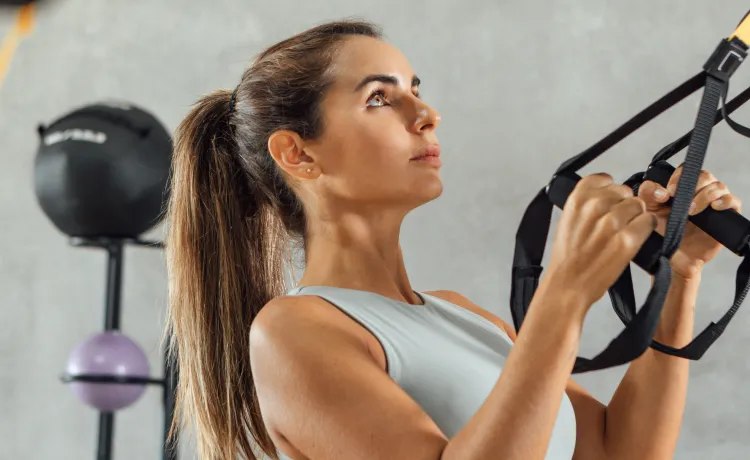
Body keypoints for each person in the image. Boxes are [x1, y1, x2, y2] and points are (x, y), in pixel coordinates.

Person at [162, 19, 742, 460]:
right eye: (379, 98)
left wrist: (680, 277)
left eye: (414, 88)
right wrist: (563, 291)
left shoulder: (463, 315)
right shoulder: (293, 332)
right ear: (298, 154)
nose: (426, 113)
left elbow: (618, 452)